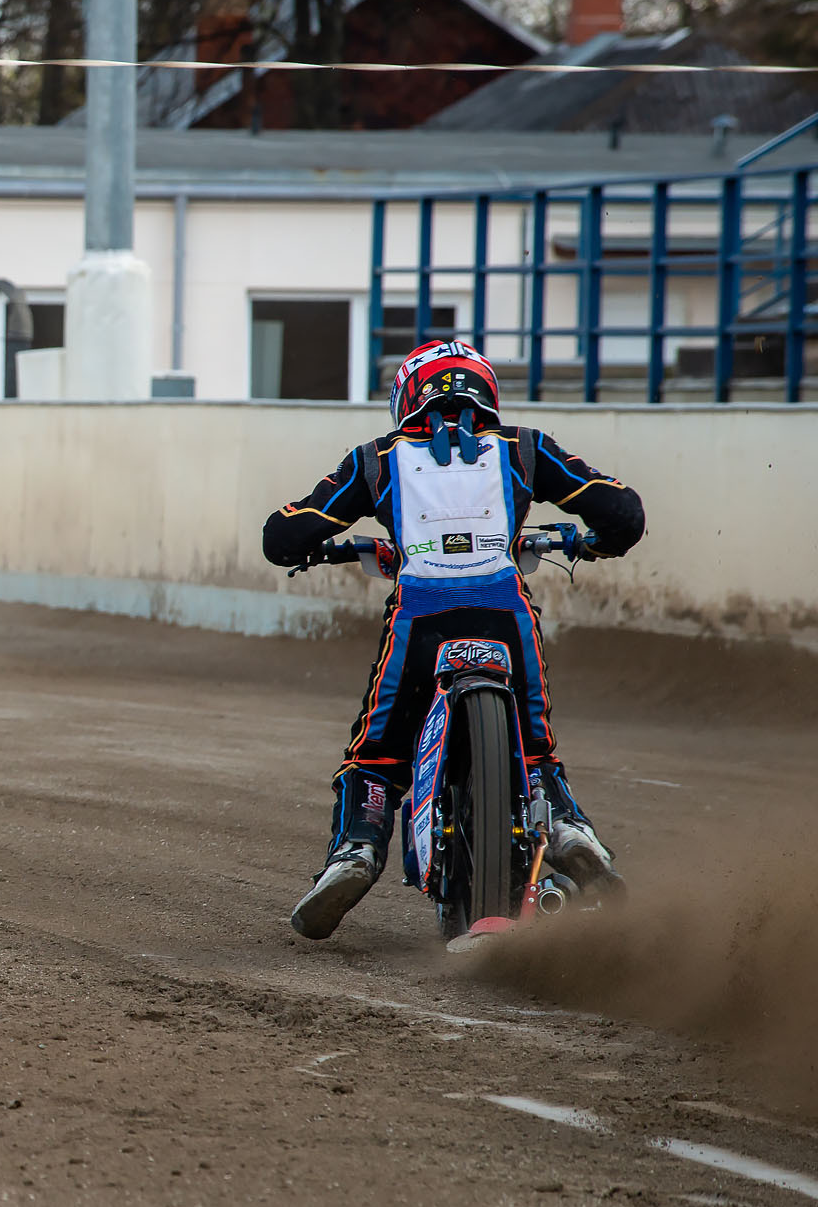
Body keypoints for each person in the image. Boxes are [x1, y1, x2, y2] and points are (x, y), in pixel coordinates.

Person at [262, 339, 646, 940]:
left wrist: (315, 546)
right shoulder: (524, 448)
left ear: (406, 399)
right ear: (488, 393)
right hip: (506, 616)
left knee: (375, 754)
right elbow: (624, 514)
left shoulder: (375, 460)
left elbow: (282, 537)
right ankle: (568, 828)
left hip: (420, 620)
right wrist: (590, 543)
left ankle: (356, 850)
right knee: (536, 749)